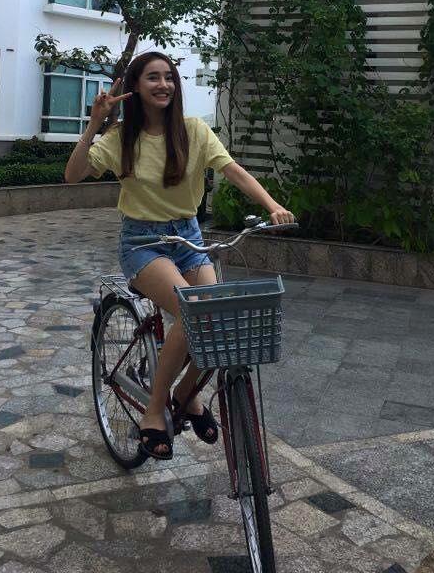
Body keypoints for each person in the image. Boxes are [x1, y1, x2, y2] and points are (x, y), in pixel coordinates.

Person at [65, 51, 296, 460]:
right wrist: (95, 124)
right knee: (193, 312)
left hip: (189, 237)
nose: (164, 85)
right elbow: (73, 175)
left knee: (218, 318)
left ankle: (186, 395)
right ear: (136, 87)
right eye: (153, 77)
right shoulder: (120, 139)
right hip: (143, 243)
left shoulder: (193, 131)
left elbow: (233, 170)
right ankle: (155, 412)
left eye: (169, 77)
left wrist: (272, 205)